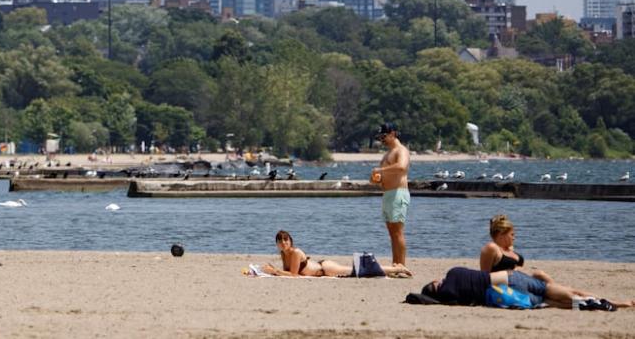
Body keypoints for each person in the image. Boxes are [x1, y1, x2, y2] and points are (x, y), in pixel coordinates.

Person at [421, 266, 634, 309]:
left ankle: (596, 305)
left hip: (504, 296)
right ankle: (613, 302)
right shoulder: (452, 273)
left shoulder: (450, 296)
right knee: (561, 292)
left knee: (554, 302)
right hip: (507, 278)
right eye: (434, 283)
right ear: (436, 286)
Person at [260, 231, 412, 278]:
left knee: (360, 271)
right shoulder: (283, 254)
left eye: (286, 240)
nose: (283, 243)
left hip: (326, 268)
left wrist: (274, 271)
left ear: (290, 241)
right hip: (322, 268)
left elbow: (293, 275)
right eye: (280, 241)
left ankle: (398, 268)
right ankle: (395, 267)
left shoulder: (294, 252)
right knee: (359, 271)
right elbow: (288, 272)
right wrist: (273, 270)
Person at [369, 121, 410, 266]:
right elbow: (381, 176)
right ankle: (395, 263)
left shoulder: (401, 150)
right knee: (392, 232)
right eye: (380, 137)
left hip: (398, 193)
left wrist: (380, 171)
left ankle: (402, 265)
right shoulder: (387, 154)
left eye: (384, 136)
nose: (382, 140)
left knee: (398, 231)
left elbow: (401, 167)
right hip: (387, 194)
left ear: (393, 134)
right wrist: (376, 178)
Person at [479, 215, 553, 285]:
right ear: (501, 235)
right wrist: (509, 273)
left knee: (540, 274)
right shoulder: (491, 248)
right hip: (509, 284)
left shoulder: (509, 248)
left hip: (522, 280)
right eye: (512, 235)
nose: (514, 238)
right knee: (540, 275)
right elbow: (484, 278)